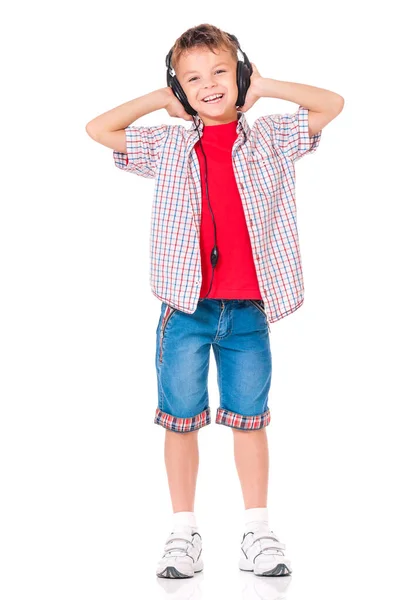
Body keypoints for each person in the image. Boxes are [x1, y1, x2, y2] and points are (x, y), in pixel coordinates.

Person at [86, 23, 344, 579]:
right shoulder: (169, 141)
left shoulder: (271, 135)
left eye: (221, 72)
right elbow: (98, 129)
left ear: (240, 73)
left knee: (250, 418)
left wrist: (267, 86)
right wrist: (162, 101)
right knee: (180, 420)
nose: (209, 85)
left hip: (249, 309)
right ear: (180, 88)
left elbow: (333, 105)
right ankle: (183, 533)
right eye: (192, 79)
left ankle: (258, 529)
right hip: (185, 308)